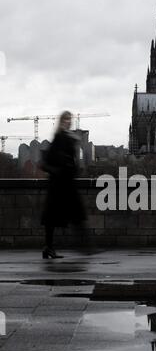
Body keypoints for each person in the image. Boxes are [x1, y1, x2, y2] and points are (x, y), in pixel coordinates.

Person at [41, 111, 86, 259]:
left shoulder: (67, 137)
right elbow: (45, 162)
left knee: (74, 214)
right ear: (61, 121)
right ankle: (50, 248)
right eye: (66, 119)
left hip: (66, 183)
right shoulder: (59, 137)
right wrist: (59, 171)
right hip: (58, 184)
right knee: (54, 217)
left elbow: (71, 160)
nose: (68, 121)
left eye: (69, 119)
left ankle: (84, 246)